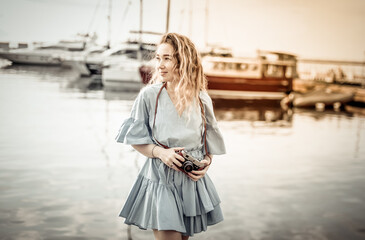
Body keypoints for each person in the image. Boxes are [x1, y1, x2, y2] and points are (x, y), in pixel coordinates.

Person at [115, 32, 226, 240]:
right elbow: (135, 139)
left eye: (167, 58)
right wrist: (160, 153)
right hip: (160, 179)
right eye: (158, 58)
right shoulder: (149, 96)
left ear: (183, 61)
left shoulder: (201, 98)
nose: (160, 65)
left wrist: (206, 163)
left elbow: (208, 142)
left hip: (190, 181)